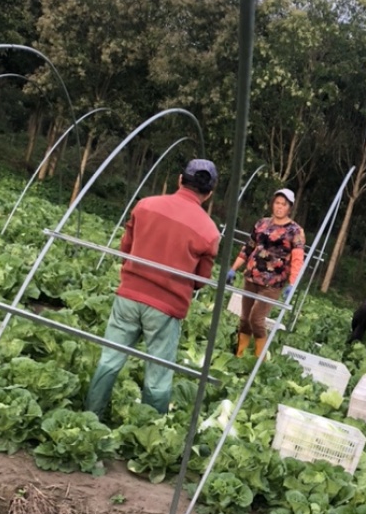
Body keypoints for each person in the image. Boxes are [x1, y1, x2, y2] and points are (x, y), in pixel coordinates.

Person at [84, 158, 220, 419]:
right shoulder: (209, 231)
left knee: (110, 359)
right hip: (166, 308)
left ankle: (91, 416)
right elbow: (200, 281)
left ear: (180, 180)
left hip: (129, 295)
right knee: (158, 373)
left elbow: (126, 249)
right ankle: (149, 431)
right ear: (209, 193)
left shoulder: (145, 205)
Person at [226, 187, 305, 357]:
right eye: (277, 203)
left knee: (257, 319)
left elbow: (298, 258)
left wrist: (293, 283)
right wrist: (233, 269)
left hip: (272, 282)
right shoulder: (262, 223)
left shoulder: (295, 231)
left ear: (289, 207)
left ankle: (258, 358)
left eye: (283, 204)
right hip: (252, 277)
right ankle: (239, 354)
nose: (279, 207)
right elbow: (248, 248)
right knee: (245, 319)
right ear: (272, 204)